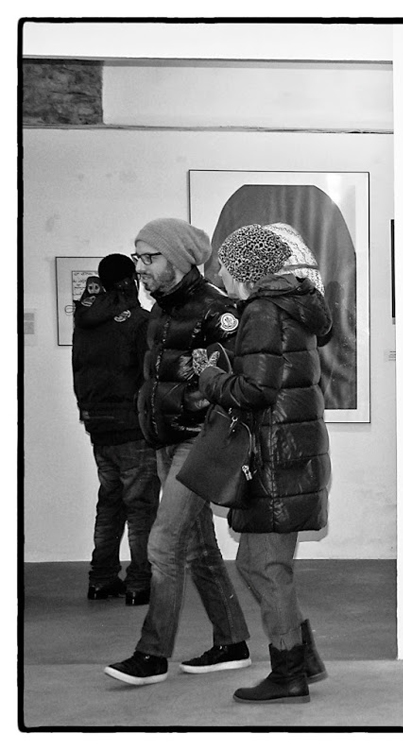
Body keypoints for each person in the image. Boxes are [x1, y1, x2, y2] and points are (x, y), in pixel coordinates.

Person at [104, 218, 251, 686]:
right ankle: (232, 642)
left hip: (199, 441)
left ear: (180, 258)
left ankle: (152, 655)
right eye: (138, 257)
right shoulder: (161, 311)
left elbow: (231, 383)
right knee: (198, 548)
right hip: (165, 441)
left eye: (150, 257)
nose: (140, 267)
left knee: (163, 545)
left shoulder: (217, 311)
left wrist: (193, 398)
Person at [193, 224, 332, 704]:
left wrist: (209, 375)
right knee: (258, 562)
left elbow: (255, 390)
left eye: (224, 267)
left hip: (277, 458)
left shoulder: (262, 311)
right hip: (290, 453)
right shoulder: (292, 305)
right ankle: (302, 659)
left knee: (265, 565)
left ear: (243, 269)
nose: (220, 277)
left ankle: (289, 671)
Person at [72, 255, 159, 606]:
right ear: (129, 281)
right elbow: (150, 375)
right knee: (140, 507)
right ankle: (140, 582)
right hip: (132, 428)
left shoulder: (85, 320)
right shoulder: (139, 321)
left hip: (98, 424)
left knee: (109, 502)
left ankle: (101, 578)